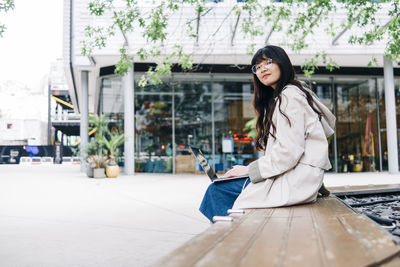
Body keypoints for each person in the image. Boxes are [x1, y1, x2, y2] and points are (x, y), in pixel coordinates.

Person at [199, 45, 336, 222]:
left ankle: (230, 243)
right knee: (221, 188)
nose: (262, 69)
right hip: (298, 178)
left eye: (268, 62)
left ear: (283, 63)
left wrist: (248, 170)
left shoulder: (289, 97)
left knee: (217, 192)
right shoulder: (290, 95)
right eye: (257, 67)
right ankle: (231, 238)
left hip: (295, 180)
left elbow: (289, 153)